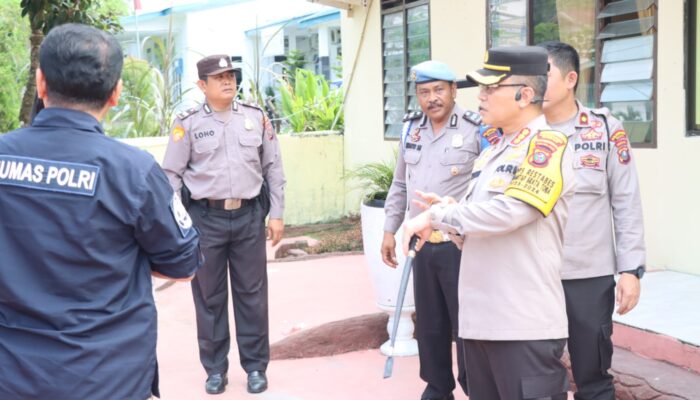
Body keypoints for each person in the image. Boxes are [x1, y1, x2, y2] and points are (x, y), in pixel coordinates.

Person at [0, 23, 202, 399]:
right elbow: (184, 263)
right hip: (108, 381)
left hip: (13, 377)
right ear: (116, 93)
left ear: (41, 83)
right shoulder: (134, 172)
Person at [402, 46, 575, 400]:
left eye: (490, 88)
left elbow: (509, 212)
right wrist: (450, 217)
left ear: (524, 94)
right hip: (481, 323)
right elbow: (476, 230)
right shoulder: (493, 153)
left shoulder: (547, 147)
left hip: (521, 325)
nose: (480, 97)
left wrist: (438, 215)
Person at [162, 54, 286, 395]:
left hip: (248, 217)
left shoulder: (255, 118)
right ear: (203, 85)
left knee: (252, 296)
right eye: (219, 77)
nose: (228, 81)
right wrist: (180, 224)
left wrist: (276, 213)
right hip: (205, 220)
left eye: (231, 75)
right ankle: (215, 370)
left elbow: (273, 168)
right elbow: (170, 176)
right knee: (210, 298)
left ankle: (256, 368)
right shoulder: (186, 123)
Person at [538, 41, 646, 400]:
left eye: (545, 74)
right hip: (533, 274)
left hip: (588, 274)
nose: (535, 83)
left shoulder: (604, 129)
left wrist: (631, 269)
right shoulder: (524, 132)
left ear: (570, 79)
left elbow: (626, 200)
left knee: (593, 375)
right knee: (535, 373)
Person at [382, 60, 483, 400]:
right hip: (421, 245)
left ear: (454, 90)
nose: (432, 98)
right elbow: (399, 184)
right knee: (431, 324)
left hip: (460, 245)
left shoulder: (477, 128)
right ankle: (438, 388)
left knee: (466, 325)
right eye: (424, 92)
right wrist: (389, 229)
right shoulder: (411, 128)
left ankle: (476, 387)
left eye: (439, 89)